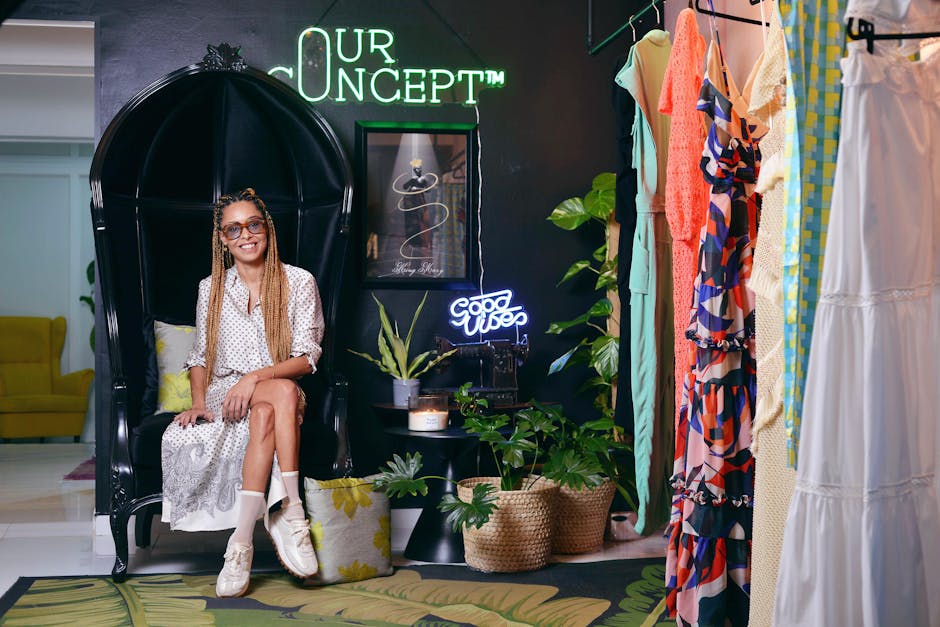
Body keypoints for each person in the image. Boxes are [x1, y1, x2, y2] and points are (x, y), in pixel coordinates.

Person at [160, 188, 323, 598]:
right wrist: (199, 403)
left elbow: (307, 357)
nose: (245, 235)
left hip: (276, 389)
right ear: (222, 238)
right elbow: (199, 355)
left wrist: (254, 377)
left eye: (253, 224)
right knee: (278, 395)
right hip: (224, 393)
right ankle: (291, 510)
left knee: (278, 398)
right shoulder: (210, 288)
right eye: (234, 229)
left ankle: (242, 542)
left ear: (267, 228)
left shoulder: (299, 281)